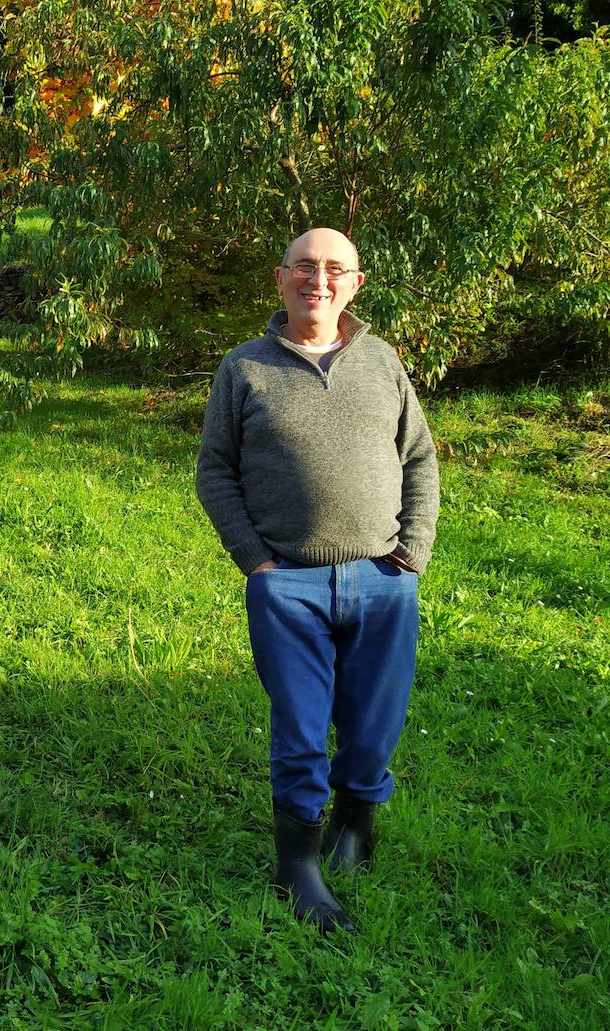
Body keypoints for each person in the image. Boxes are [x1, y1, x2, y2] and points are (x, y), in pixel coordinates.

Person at [195, 227, 439, 933]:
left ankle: (356, 823)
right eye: (304, 267)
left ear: (356, 283)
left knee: (374, 725)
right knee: (300, 726)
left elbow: (419, 459)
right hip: (288, 585)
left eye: (335, 269)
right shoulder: (243, 368)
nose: (319, 280)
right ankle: (296, 858)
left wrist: (412, 554)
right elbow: (215, 470)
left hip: (382, 579)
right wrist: (258, 563)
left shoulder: (383, 361)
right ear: (280, 280)